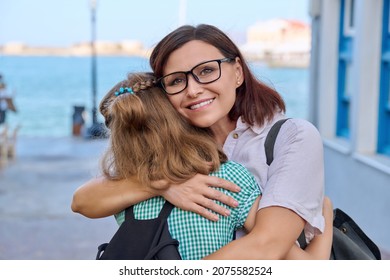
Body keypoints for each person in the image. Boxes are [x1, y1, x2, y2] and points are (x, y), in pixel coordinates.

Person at [72, 24, 332, 259]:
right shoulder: (171, 146)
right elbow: (83, 201)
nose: (193, 90)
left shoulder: (292, 137)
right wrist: (163, 185)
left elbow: (268, 245)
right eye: (176, 80)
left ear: (238, 72)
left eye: (207, 70)